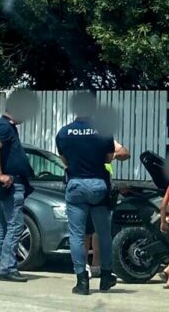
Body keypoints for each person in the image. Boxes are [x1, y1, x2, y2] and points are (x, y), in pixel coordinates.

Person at [56, 94, 118, 295]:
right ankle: (106, 275)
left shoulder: (63, 133)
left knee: (77, 234)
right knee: (103, 233)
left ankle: (82, 281)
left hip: (75, 184)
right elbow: (109, 158)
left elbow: (64, 160)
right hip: (98, 184)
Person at [0, 92, 37, 283]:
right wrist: (0, 175)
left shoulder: (7, 127)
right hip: (10, 184)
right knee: (15, 226)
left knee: (2, 226)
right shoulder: (3, 126)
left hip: (9, 184)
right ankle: (7, 268)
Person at [84, 140, 130, 278]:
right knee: (85, 231)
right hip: (85, 186)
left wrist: (111, 156)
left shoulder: (103, 137)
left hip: (103, 188)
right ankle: (83, 266)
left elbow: (125, 153)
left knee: (100, 230)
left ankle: (97, 265)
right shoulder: (80, 137)